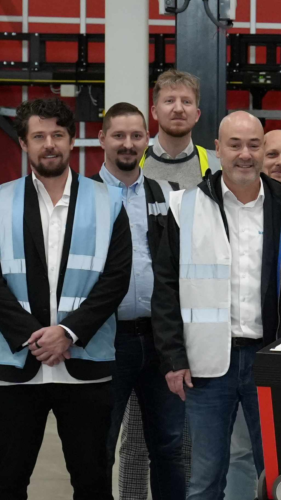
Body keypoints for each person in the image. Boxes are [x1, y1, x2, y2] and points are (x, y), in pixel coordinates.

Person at [0, 97, 132, 500]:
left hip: (86, 363)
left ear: (72, 140)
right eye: (38, 136)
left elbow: (115, 279)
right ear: (23, 144)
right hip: (17, 365)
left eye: (57, 135)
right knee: (8, 481)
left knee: (93, 482)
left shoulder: (108, 201)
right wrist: (35, 337)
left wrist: (68, 333)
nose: (49, 144)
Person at [152, 111, 281, 500]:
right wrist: (173, 358)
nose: (245, 154)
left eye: (254, 145)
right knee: (205, 479)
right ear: (218, 149)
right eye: (235, 145)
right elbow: (167, 289)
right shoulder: (183, 207)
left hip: (271, 361)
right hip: (207, 366)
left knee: (280, 475)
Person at [88, 103, 190, 500]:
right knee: (100, 446)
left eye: (136, 136)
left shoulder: (168, 195)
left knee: (169, 446)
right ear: (101, 139)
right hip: (103, 339)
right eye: (118, 135)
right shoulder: (82, 197)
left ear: (147, 140)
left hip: (160, 339)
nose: (128, 144)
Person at [144, 70, 222, 188]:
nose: (179, 109)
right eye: (169, 101)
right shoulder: (135, 164)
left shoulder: (218, 166)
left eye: (186, 102)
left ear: (197, 115)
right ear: (155, 112)